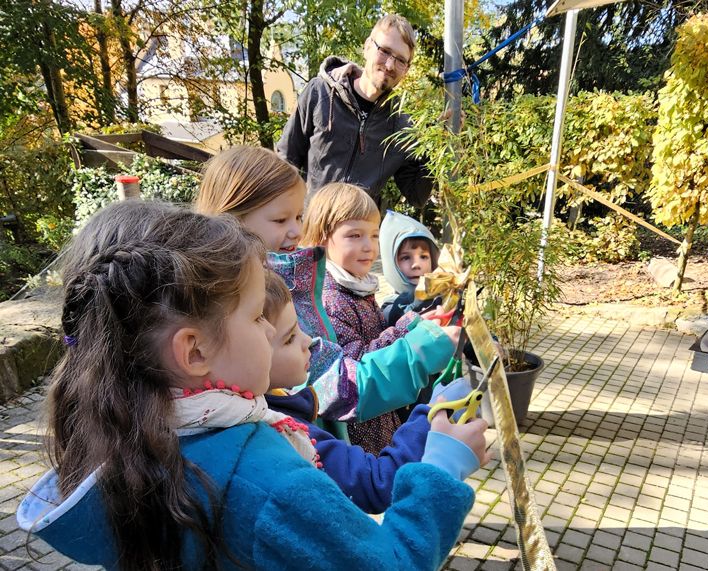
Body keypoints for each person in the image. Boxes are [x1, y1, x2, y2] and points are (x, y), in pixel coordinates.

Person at [16, 200, 489, 570]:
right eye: (255, 315)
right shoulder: (266, 483)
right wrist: (442, 468)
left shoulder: (133, 437)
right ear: (195, 351)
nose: (269, 332)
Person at [195, 146, 457, 430]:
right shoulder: (266, 300)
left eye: (298, 217)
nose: (296, 231)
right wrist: (421, 347)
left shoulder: (288, 285)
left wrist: (410, 328)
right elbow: (335, 382)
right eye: (281, 220)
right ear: (232, 221)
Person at [263, 268, 475, 513]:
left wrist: (411, 327)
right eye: (290, 338)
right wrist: (432, 419)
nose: (309, 342)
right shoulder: (283, 431)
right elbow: (375, 484)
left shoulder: (277, 405)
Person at [301, 183, 427, 453]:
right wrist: (407, 328)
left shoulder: (357, 286)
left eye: (373, 235)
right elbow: (357, 363)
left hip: (379, 416)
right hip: (359, 429)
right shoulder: (331, 300)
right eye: (355, 235)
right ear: (322, 238)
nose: (368, 247)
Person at [277, 14, 432, 207]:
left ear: (406, 70)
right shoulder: (320, 93)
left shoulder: (401, 126)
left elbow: (417, 195)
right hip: (311, 231)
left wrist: (435, 147)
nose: (390, 65)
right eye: (384, 51)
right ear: (368, 46)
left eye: (401, 60)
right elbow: (286, 160)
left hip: (359, 234)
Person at [379, 209, 442, 327]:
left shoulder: (441, 296)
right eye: (406, 258)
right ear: (392, 263)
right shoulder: (391, 309)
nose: (416, 264)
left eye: (423, 257)